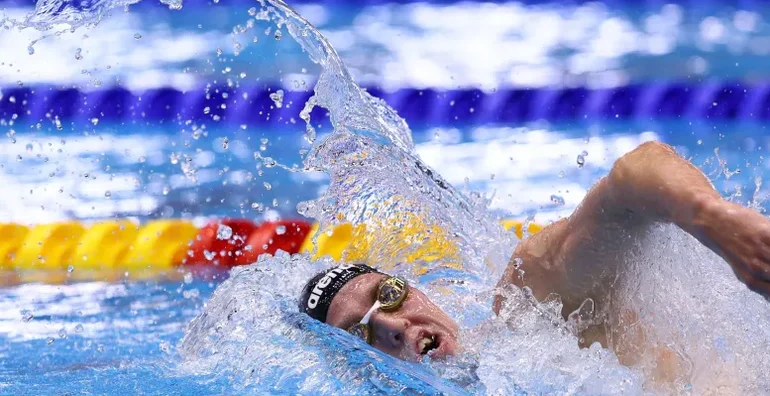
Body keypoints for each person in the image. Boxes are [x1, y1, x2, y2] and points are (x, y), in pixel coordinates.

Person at [298, 141, 770, 382]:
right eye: (360, 334)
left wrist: (714, 218)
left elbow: (633, 178)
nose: (394, 326)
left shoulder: (532, 309)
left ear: (413, 286)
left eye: (388, 295)